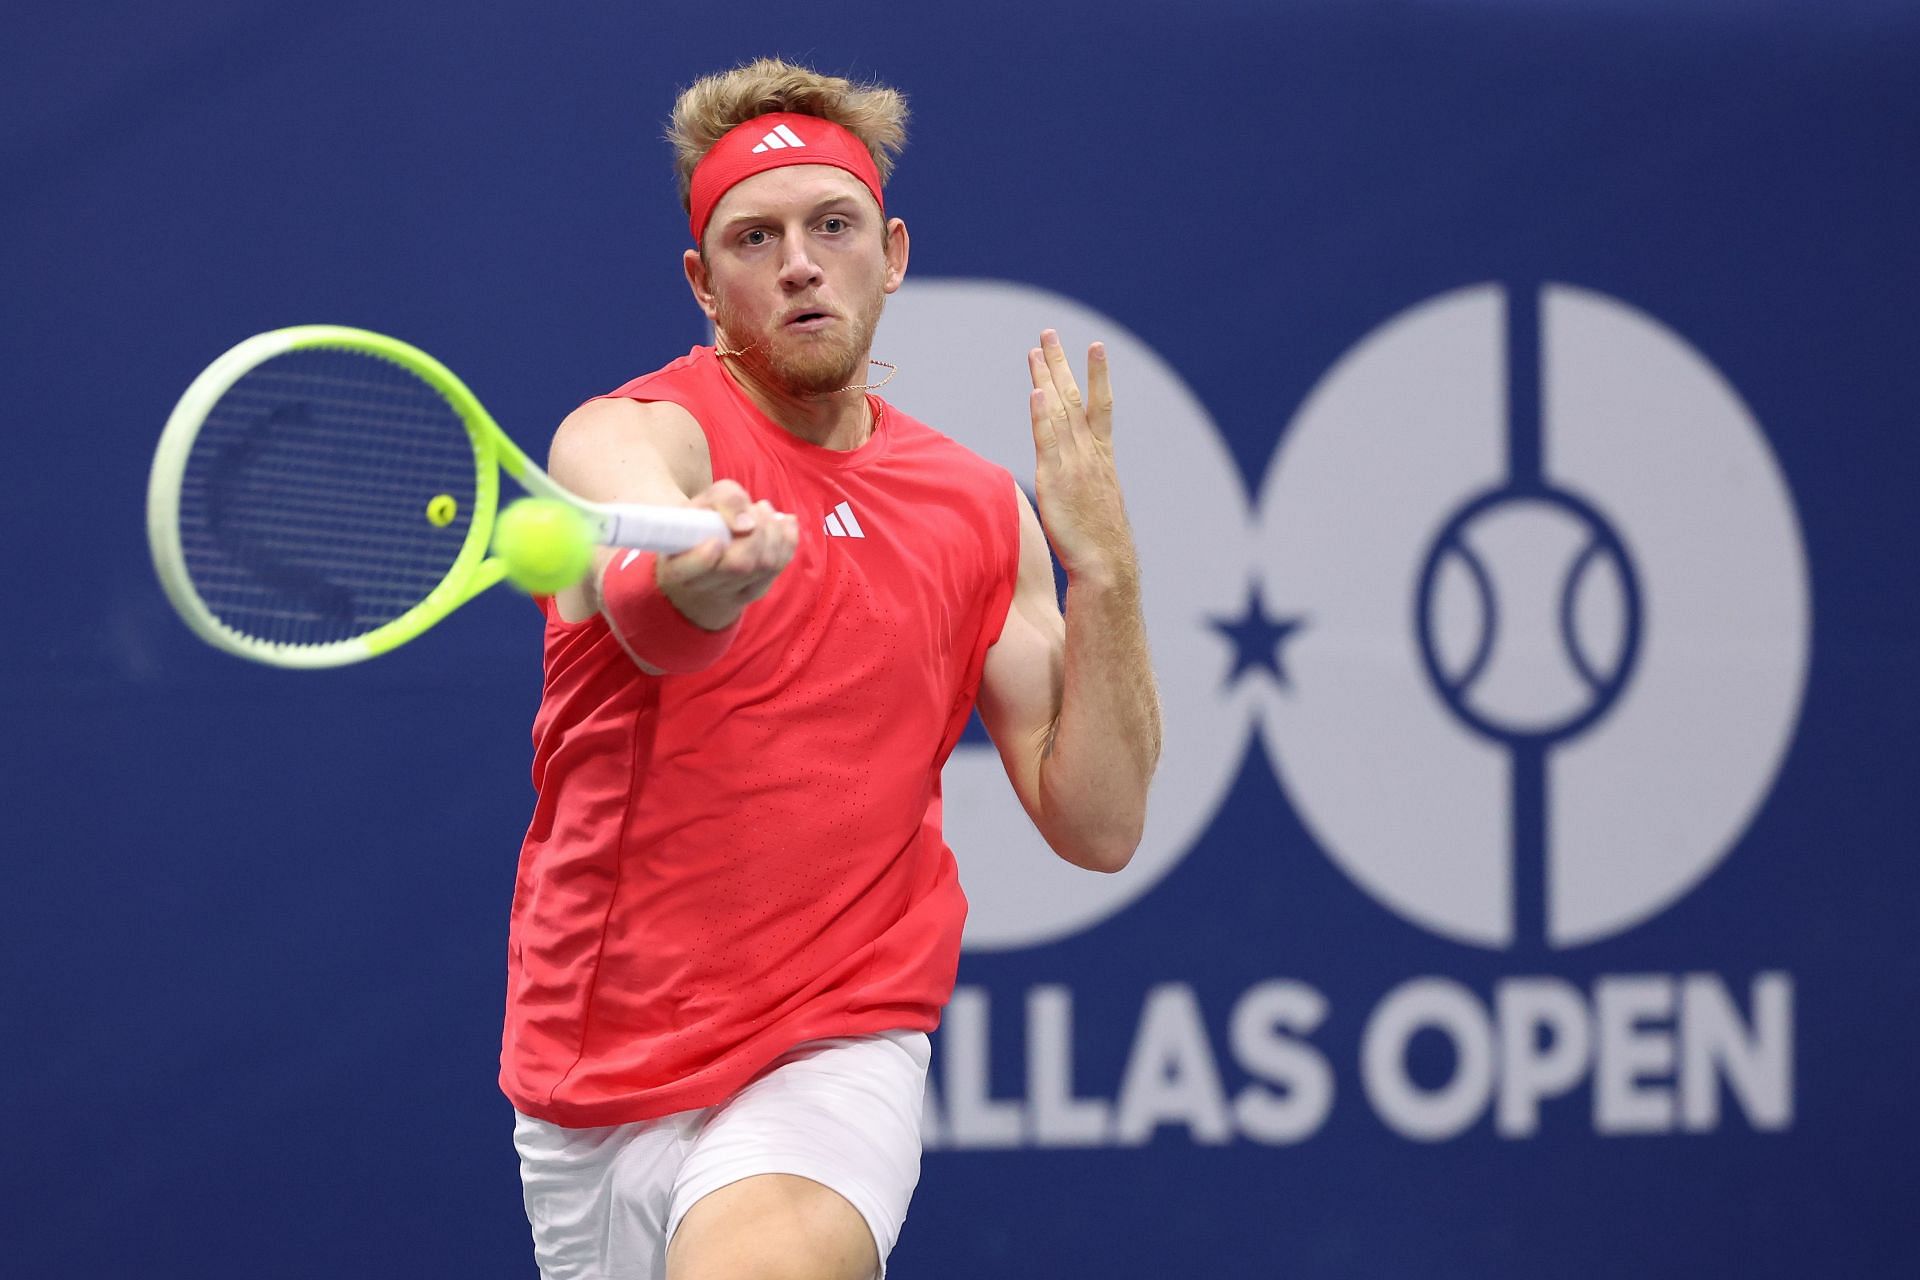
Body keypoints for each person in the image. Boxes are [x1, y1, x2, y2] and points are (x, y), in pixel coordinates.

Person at [501, 57, 1160, 1280]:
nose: (800, 261)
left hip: (833, 1044)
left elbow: (1103, 821)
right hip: (593, 1069)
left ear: (891, 252)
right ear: (704, 284)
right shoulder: (628, 435)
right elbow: (654, 607)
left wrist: (1106, 571)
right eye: (756, 237)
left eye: (832, 226)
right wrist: (710, 565)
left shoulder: (977, 510)